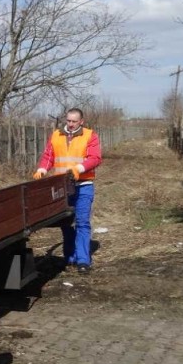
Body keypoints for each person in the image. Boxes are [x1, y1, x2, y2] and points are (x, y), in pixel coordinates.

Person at [33, 108, 103, 274]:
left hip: (83, 185)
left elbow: (95, 158)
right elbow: (49, 156)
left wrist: (79, 168)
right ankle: (69, 257)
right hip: (63, 187)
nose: (70, 124)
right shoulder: (56, 135)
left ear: (81, 122)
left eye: (74, 121)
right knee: (66, 223)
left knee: (82, 222)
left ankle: (83, 261)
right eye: (68, 121)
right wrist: (43, 169)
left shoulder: (89, 135)